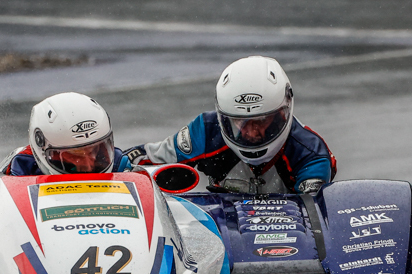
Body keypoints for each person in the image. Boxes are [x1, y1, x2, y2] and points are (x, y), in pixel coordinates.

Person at [117, 56, 336, 193]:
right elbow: (144, 159)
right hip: (220, 233)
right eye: (240, 122)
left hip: (290, 238)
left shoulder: (311, 154)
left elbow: (315, 217)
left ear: (284, 111)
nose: (251, 133)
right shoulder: (206, 131)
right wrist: (102, 164)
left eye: (262, 121)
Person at [0, 92, 124, 176]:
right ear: (42, 149)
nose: (88, 165)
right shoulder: (21, 169)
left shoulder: (120, 163)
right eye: (75, 155)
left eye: (93, 150)